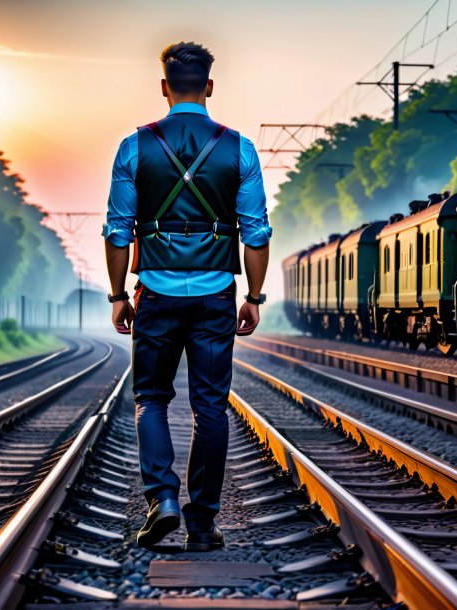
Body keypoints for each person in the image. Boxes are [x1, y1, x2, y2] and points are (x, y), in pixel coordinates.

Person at [102, 41, 271, 551]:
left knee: (151, 399)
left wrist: (117, 296)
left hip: (155, 290)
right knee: (211, 408)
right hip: (216, 294)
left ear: (164, 87)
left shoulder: (135, 146)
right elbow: (256, 233)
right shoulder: (239, 148)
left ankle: (163, 501)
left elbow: (116, 230)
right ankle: (203, 524)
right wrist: (254, 298)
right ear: (210, 88)